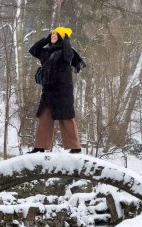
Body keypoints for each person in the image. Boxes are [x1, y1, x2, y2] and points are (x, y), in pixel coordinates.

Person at [28, 26, 84, 154]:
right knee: (44, 117)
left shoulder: (67, 51)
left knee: (66, 118)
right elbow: (33, 50)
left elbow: (70, 57)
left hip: (63, 91)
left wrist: (66, 40)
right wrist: (46, 39)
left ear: (61, 37)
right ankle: (39, 147)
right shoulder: (45, 52)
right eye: (51, 34)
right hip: (48, 91)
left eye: (55, 35)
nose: (53, 36)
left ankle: (75, 147)